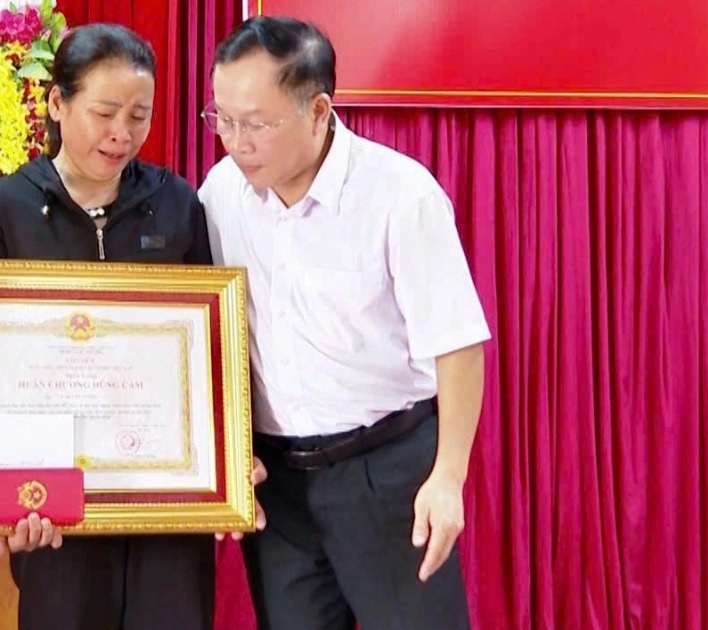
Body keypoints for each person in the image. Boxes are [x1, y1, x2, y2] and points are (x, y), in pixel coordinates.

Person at [198, 15, 492, 630]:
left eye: (256, 123)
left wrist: (448, 478)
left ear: (318, 111)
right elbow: (209, 329)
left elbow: (458, 345)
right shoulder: (220, 194)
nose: (235, 141)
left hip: (386, 473)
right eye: (222, 118)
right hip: (279, 486)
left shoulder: (399, 195)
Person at [0, 23, 216, 630]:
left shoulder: (177, 203)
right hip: (53, 504)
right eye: (104, 113)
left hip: (165, 497)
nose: (122, 133)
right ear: (57, 102)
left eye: (139, 115)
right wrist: (1, 492)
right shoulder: (1, 212)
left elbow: (211, 348)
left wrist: (228, 458)